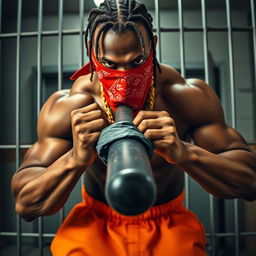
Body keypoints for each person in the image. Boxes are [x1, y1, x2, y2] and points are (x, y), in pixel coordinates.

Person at [11, 0, 256, 255]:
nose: (125, 78)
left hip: (167, 223)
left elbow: (250, 181)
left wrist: (185, 152)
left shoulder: (183, 97)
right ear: (90, 52)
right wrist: (75, 159)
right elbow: (26, 204)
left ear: (153, 46)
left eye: (137, 60)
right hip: (96, 224)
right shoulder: (69, 106)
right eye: (111, 64)